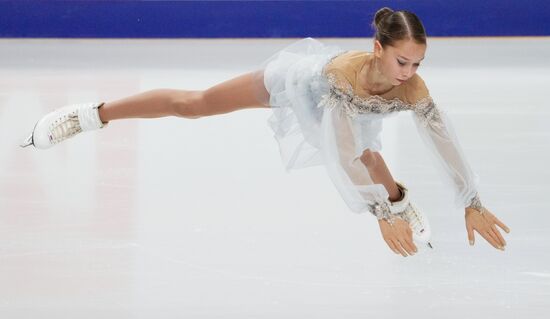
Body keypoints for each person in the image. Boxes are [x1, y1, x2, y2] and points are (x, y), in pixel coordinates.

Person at [20, 7, 510, 257]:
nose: (409, 71)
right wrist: (378, 212)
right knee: (194, 105)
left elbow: (442, 138)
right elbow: (338, 152)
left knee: (372, 157)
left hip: (353, 116)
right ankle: (92, 114)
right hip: (299, 87)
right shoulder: (346, 77)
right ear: (377, 47)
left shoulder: (411, 86)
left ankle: (402, 199)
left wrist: (471, 199)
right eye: (402, 60)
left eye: (417, 62)